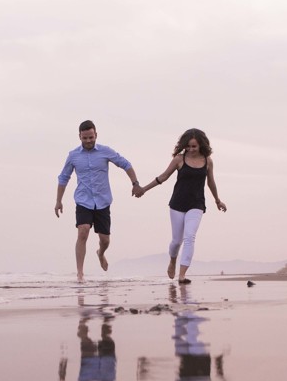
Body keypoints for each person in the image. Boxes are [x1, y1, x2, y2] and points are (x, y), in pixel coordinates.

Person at [134, 127, 226, 284]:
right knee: (176, 241)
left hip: (196, 204)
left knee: (189, 237)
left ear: (201, 145)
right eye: (188, 146)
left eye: (194, 146)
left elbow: (211, 182)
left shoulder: (207, 161)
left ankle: (182, 275)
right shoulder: (179, 159)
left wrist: (217, 200)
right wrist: (143, 189)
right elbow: (163, 177)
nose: (191, 149)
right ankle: (172, 261)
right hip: (177, 204)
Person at [55, 120, 143, 282]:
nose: (88, 141)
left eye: (91, 137)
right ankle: (80, 274)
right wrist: (58, 201)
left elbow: (125, 164)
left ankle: (100, 253)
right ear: (79, 137)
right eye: (85, 138)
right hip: (83, 200)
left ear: (96, 135)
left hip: (103, 201)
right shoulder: (73, 155)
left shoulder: (105, 151)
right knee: (83, 231)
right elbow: (63, 177)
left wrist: (135, 183)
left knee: (105, 240)